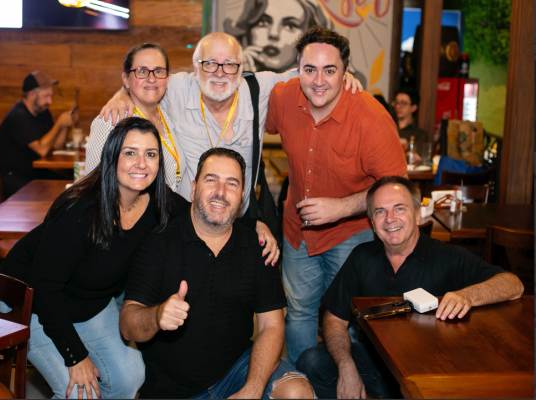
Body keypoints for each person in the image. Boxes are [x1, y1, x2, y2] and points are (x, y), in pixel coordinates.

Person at [101, 31, 363, 267]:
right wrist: (122, 94)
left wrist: (342, 76)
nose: (220, 72)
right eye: (210, 63)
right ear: (196, 67)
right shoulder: (179, 87)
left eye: (229, 64)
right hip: (184, 226)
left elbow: (310, 75)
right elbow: (145, 82)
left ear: (241, 68)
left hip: (238, 224)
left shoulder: (260, 88)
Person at [0, 117, 185, 399]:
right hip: (30, 301)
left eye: (151, 154)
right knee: (80, 392)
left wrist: (251, 228)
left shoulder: (159, 203)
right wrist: (75, 355)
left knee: (130, 378)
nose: (141, 163)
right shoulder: (80, 210)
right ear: (112, 157)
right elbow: (45, 289)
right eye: (130, 153)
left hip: (89, 302)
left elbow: (198, 215)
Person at [296, 176, 524, 399]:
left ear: (417, 214)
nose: (390, 219)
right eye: (380, 211)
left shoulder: (447, 256)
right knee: (311, 361)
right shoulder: (361, 256)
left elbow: (513, 284)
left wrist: (467, 295)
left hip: (429, 368)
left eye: (399, 208)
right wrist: (347, 367)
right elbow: (334, 319)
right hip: (374, 362)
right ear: (372, 223)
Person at [119, 147, 315, 399]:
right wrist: (157, 316)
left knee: (296, 392)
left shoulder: (258, 246)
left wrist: (252, 389)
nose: (220, 192)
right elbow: (128, 326)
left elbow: (271, 325)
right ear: (193, 188)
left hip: (237, 372)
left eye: (232, 184)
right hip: (172, 388)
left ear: (242, 197)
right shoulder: (159, 242)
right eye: (211, 180)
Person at [265, 27, 407, 363]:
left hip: (350, 236)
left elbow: (396, 184)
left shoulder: (370, 116)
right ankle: (305, 381)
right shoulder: (283, 97)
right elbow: (247, 109)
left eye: (330, 70)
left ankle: (347, 380)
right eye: (309, 69)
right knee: (299, 312)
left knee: (347, 319)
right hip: (297, 232)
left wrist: (342, 207)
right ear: (297, 70)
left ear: (346, 73)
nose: (318, 81)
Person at [85, 43, 186, 194]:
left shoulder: (168, 115)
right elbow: (92, 186)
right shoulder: (112, 120)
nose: (151, 79)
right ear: (126, 79)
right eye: (142, 71)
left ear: (167, 78)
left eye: (158, 71)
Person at [223, 0, 367, 86]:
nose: (273, 34)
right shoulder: (229, 77)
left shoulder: (316, 87)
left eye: (290, 26)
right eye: (263, 22)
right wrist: (238, 77)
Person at [0, 71, 77, 197]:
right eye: (46, 96)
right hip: (8, 176)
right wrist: (58, 124)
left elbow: (56, 146)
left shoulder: (43, 112)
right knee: (57, 193)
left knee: (69, 184)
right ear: (32, 94)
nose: (50, 101)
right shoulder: (18, 116)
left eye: (51, 96)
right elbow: (42, 150)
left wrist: (64, 126)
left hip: (31, 172)